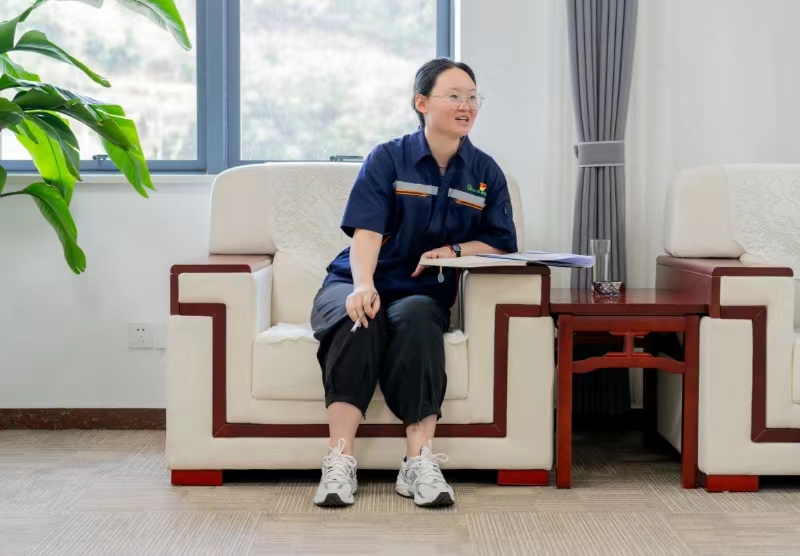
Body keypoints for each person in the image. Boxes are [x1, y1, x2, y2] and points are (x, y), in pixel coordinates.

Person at [309, 58, 517, 508]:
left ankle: (418, 461)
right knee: (360, 317)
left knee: (420, 319)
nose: (466, 106)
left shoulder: (485, 172)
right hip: (354, 279)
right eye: (454, 96)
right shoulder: (388, 158)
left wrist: (456, 250)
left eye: (472, 97)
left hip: (421, 292)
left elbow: (501, 242)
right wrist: (363, 285)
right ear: (422, 102)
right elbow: (367, 232)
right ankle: (339, 459)